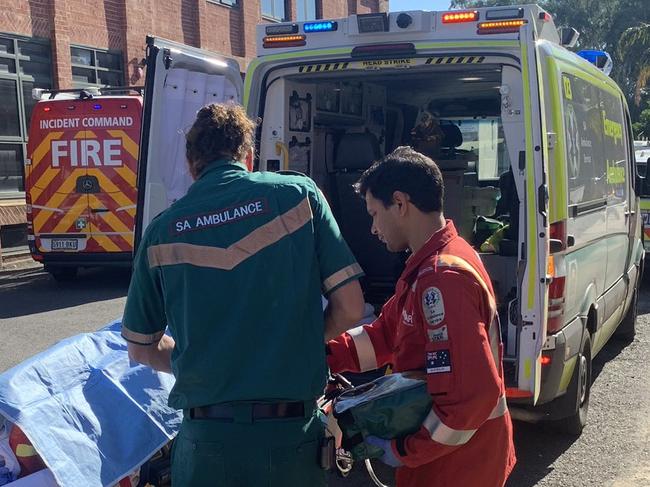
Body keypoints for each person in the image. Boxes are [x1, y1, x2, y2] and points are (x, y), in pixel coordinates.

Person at [121, 103, 365, 486]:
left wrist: (211, 363)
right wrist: (291, 345)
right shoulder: (298, 196)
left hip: (206, 447)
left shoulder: (162, 232)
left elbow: (140, 348)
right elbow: (351, 308)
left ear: (190, 164)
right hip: (290, 442)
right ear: (247, 156)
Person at [327, 146, 516, 487]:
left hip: (457, 470)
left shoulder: (442, 278)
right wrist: (323, 354)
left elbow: (469, 400)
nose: (372, 228)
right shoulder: (432, 264)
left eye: (373, 213)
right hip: (450, 461)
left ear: (399, 203)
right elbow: (384, 337)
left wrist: (403, 451)